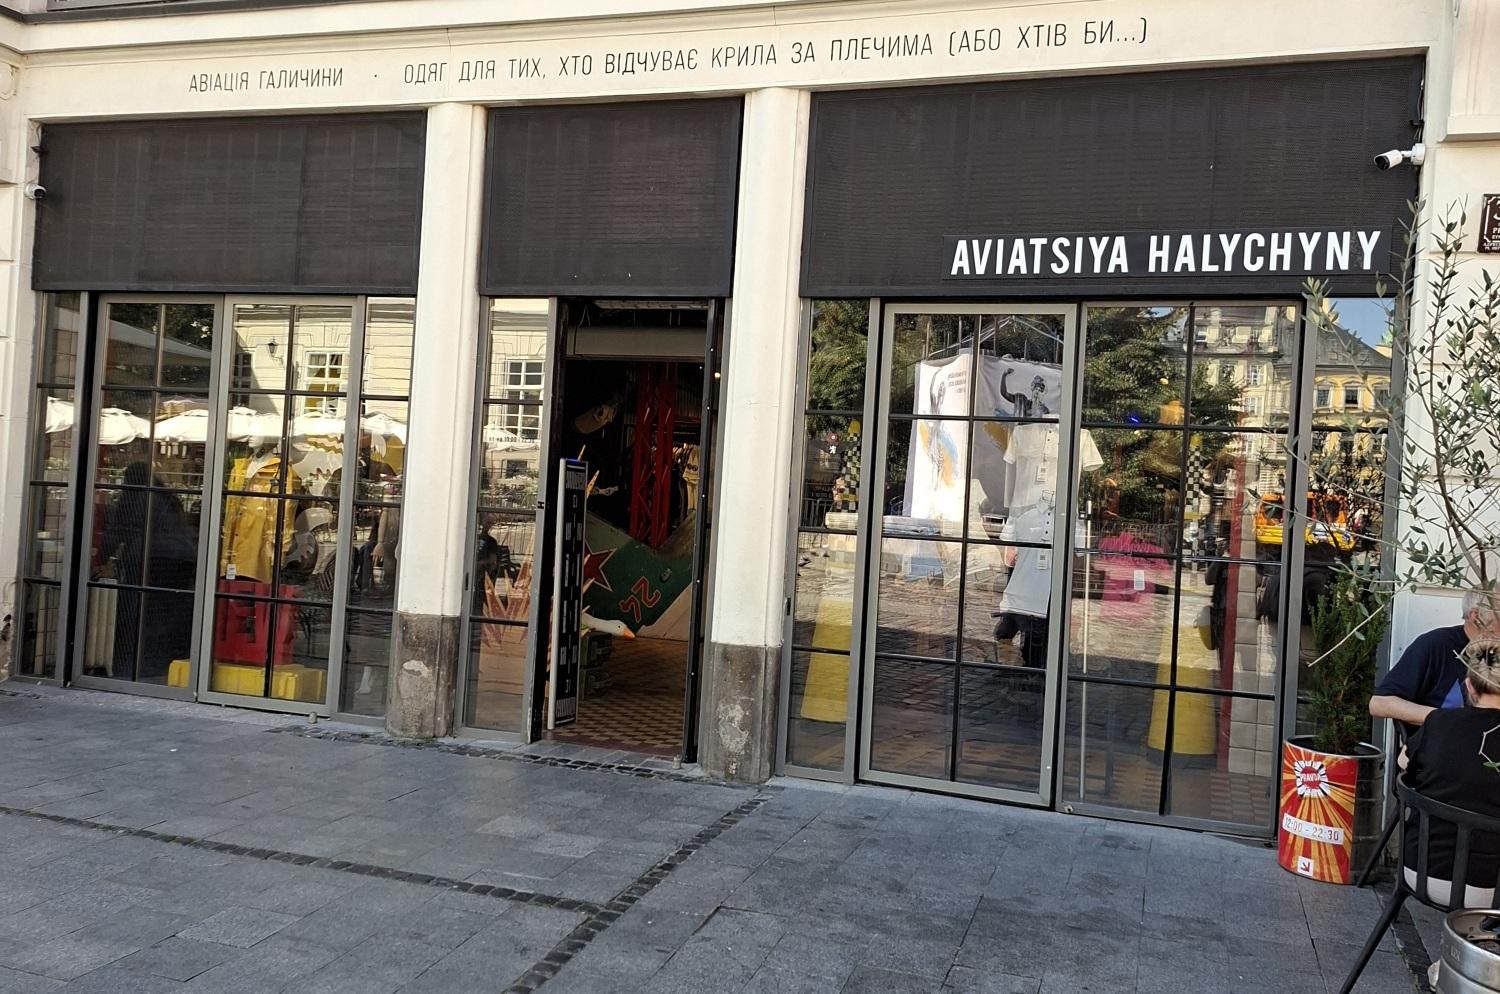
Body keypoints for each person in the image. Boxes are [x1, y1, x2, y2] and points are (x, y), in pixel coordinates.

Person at [1397, 643, 1500, 915]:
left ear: (1469, 686)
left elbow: (1403, 763)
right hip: (1490, 892)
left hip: (1419, 870)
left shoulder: (1439, 722)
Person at [1371, 589, 1500, 729]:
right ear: (1476, 617)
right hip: (1442, 738)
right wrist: (1445, 718)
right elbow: (1379, 703)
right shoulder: (1435, 644)